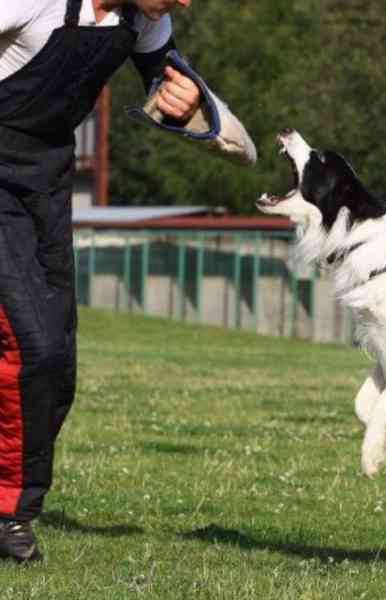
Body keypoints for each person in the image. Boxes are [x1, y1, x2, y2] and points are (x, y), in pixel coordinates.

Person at [0, 0, 207, 563]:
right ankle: (8, 513)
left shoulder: (145, 20)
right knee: (29, 345)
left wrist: (189, 104)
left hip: (44, 181)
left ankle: (12, 510)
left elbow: (176, 89)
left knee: (56, 360)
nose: (184, 1)